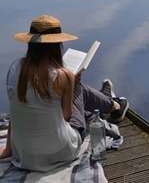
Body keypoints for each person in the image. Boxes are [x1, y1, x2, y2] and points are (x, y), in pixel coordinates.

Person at [0, 15, 128, 172]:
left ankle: (109, 102)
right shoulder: (62, 75)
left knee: (75, 91)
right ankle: (113, 105)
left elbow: (14, 112)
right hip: (60, 152)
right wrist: (72, 84)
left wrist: (8, 150)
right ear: (57, 44)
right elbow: (66, 116)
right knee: (79, 89)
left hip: (24, 155)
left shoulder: (14, 67)